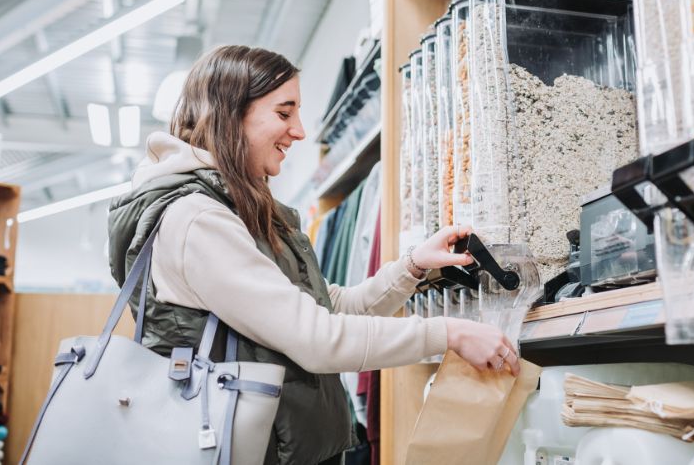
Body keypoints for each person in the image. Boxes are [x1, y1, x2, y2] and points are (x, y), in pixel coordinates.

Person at [107, 45, 520, 465]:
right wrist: (449, 333)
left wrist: (411, 267)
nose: (300, 131)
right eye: (284, 113)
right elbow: (316, 338)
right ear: (230, 113)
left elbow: (326, 307)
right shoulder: (198, 220)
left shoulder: (231, 207)